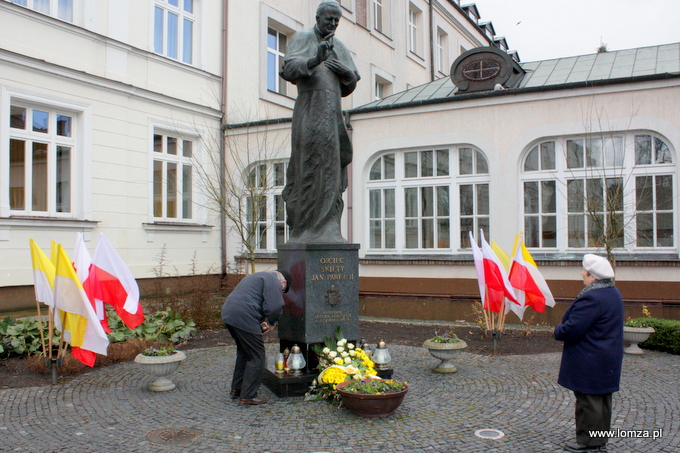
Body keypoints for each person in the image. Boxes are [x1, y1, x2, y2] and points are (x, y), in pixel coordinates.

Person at [281, 0, 360, 243]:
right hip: (309, 111)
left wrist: (347, 74)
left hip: (333, 115)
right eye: (329, 20)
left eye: (337, 21)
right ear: (318, 18)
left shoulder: (340, 46)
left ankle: (329, 229)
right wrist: (314, 59)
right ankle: (305, 229)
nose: (334, 24)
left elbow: (351, 80)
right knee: (309, 169)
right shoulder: (303, 38)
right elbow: (288, 69)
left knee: (332, 174)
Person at [555, 254, 624, 452]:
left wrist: (557, 330)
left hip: (590, 358)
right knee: (602, 400)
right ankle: (600, 441)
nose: (582, 274)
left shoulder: (592, 297)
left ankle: (589, 444)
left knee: (588, 401)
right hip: (606, 356)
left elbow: (572, 329)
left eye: (584, 272)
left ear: (593, 276)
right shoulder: (613, 292)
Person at [221, 270, 292, 405]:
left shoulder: (257, 276)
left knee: (244, 352)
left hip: (230, 313)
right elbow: (274, 306)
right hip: (244, 316)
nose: (281, 292)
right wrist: (272, 322)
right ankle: (248, 396)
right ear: (283, 282)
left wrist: (259, 320)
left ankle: (237, 389)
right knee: (257, 355)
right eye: (283, 290)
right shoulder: (273, 281)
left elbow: (250, 299)